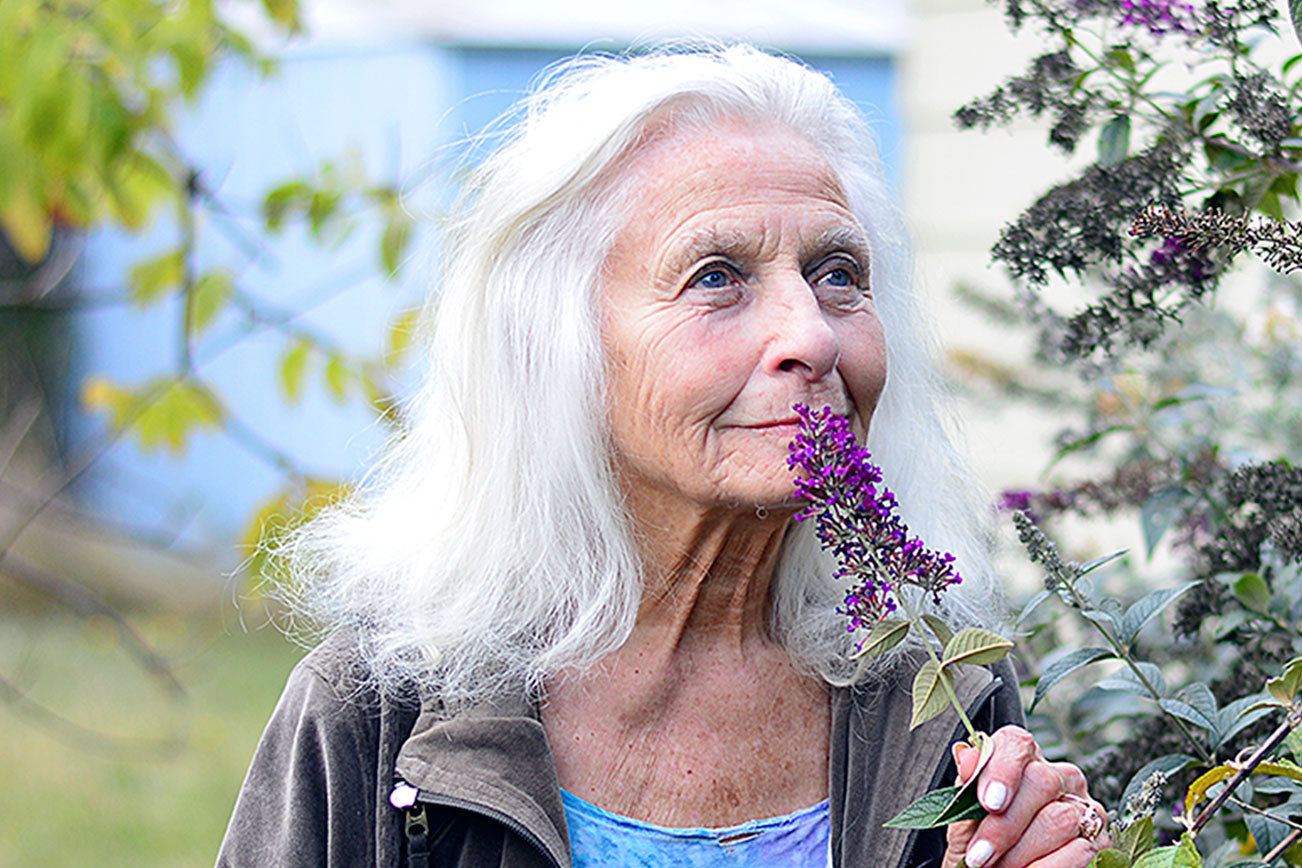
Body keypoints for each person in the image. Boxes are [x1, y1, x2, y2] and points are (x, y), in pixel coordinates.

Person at [217, 44, 1111, 867]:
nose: (811, 335)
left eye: (838, 273)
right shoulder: (380, 716)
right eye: (716, 275)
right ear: (560, 350)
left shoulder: (935, 696)